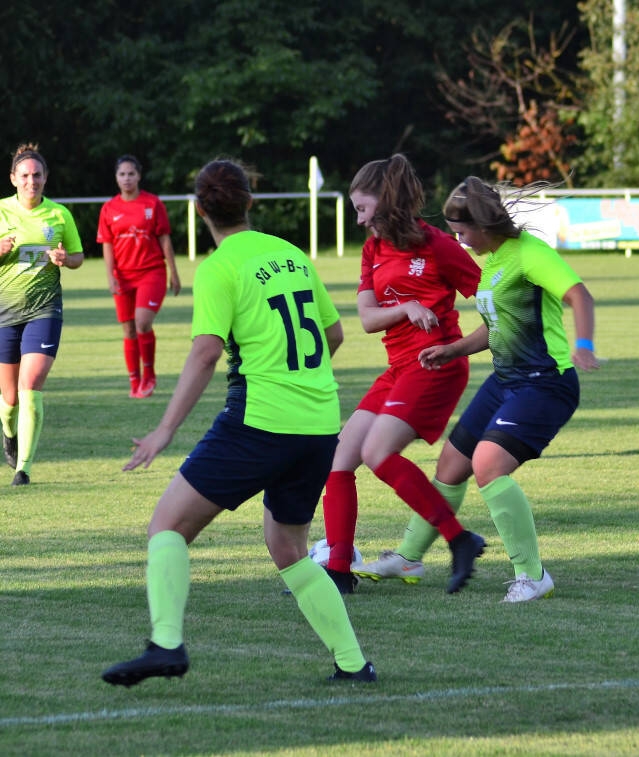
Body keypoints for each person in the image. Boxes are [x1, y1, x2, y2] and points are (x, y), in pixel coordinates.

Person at [101, 158, 376, 687]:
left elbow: (206, 353)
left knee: (168, 526)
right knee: (289, 547)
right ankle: (353, 664)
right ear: (250, 202)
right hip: (320, 425)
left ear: (201, 211)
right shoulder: (292, 255)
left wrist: (165, 430)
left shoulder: (219, 267)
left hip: (259, 422)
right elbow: (333, 334)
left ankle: (166, 645)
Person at [353, 176, 600, 602]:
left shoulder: (529, 254)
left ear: (483, 225)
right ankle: (409, 557)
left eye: (462, 230)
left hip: (545, 383)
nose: (458, 238)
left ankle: (532, 575)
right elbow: (497, 326)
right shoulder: (492, 259)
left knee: (488, 464)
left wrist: (584, 345)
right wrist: (452, 350)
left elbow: (579, 295)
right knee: (451, 465)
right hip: (505, 381)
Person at [321, 154, 486, 596]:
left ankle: (459, 539)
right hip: (398, 368)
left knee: (377, 452)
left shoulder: (438, 246)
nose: (359, 220)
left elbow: (496, 301)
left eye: (362, 208)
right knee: (339, 459)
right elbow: (367, 319)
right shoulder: (373, 248)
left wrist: (463, 346)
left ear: (387, 201)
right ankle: (338, 570)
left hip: (434, 365)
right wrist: (407, 307)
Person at [0, 143, 84, 487]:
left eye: (37, 175)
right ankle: (8, 432)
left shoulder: (59, 215)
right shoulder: (1, 211)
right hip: (5, 311)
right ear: (13, 179)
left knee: (31, 384)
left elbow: (78, 257)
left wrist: (65, 260)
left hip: (45, 309)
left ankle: (23, 469)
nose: (31, 181)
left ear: (45, 178)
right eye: (24, 175)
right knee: (9, 398)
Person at [96, 155, 181, 398]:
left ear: (139, 176)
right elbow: (107, 244)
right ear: (116, 177)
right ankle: (134, 381)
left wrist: (174, 273)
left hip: (151, 272)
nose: (127, 178)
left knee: (142, 322)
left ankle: (149, 374)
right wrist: (110, 276)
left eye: (131, 174)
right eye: (122, 174)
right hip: (123, 276)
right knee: (129, 330)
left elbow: (165, 239)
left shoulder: (153, 203)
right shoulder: (109, 208)